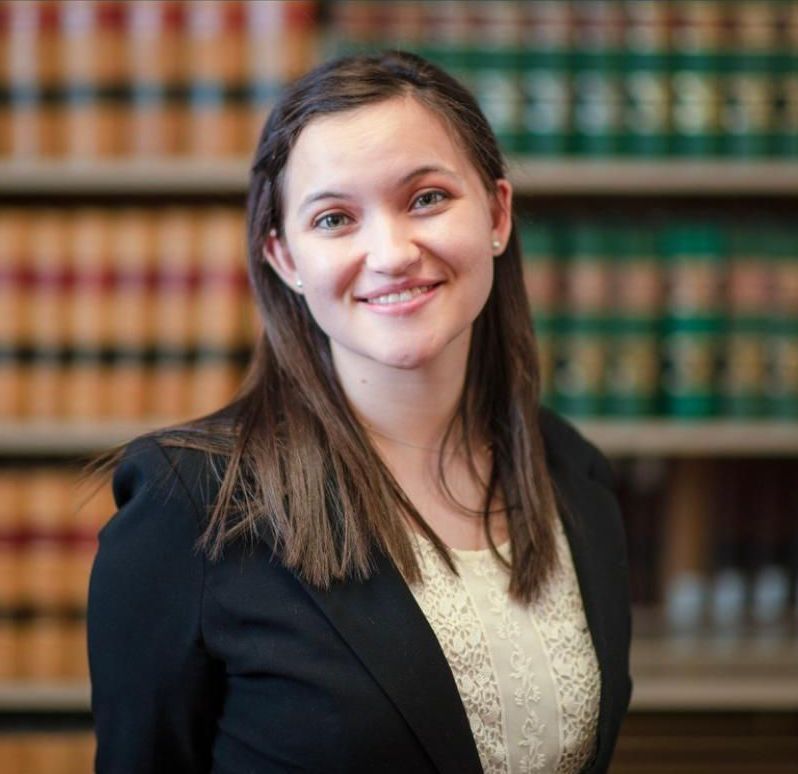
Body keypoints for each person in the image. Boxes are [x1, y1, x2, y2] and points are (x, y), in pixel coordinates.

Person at [87, 50, 632, 773]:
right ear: (285, 258)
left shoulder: (574, 474)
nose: (391, 253)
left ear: (497, 214)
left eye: (427, 198)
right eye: (335, 218)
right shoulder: (189, 508)